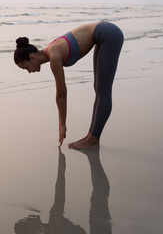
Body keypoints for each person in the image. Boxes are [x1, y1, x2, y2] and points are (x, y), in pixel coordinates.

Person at [14, 21, 123, 150]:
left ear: (32, 57)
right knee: (99, 89)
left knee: (103, 91)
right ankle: (91, 136)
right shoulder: (50, 50)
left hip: (108, 34)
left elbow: (61, 94)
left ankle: (93, 139)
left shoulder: (54, 56)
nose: (29, 71)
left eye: (26, 68)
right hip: (103, 34)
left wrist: (62, 125)